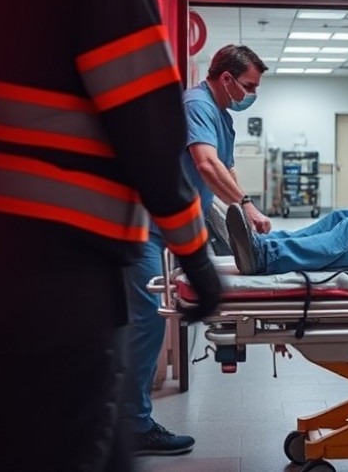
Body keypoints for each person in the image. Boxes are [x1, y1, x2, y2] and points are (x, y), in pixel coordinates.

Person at [0, 0, 222, 471]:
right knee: (69, 441)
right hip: (63, 254)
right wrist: (195, 253)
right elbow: (147, 119)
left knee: (15, 434)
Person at [122, 44, 270, 455]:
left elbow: (225, 167)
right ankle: (133, 426)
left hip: (174, 230)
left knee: (145, 322)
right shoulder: (196, 105)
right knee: (147, 321)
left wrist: (240, 213)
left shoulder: (221, 115)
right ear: (227, 79)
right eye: (249, 86)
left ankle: (123, 418)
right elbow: (205, 164)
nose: (252, 94)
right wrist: (247, 205)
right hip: (147, 228)